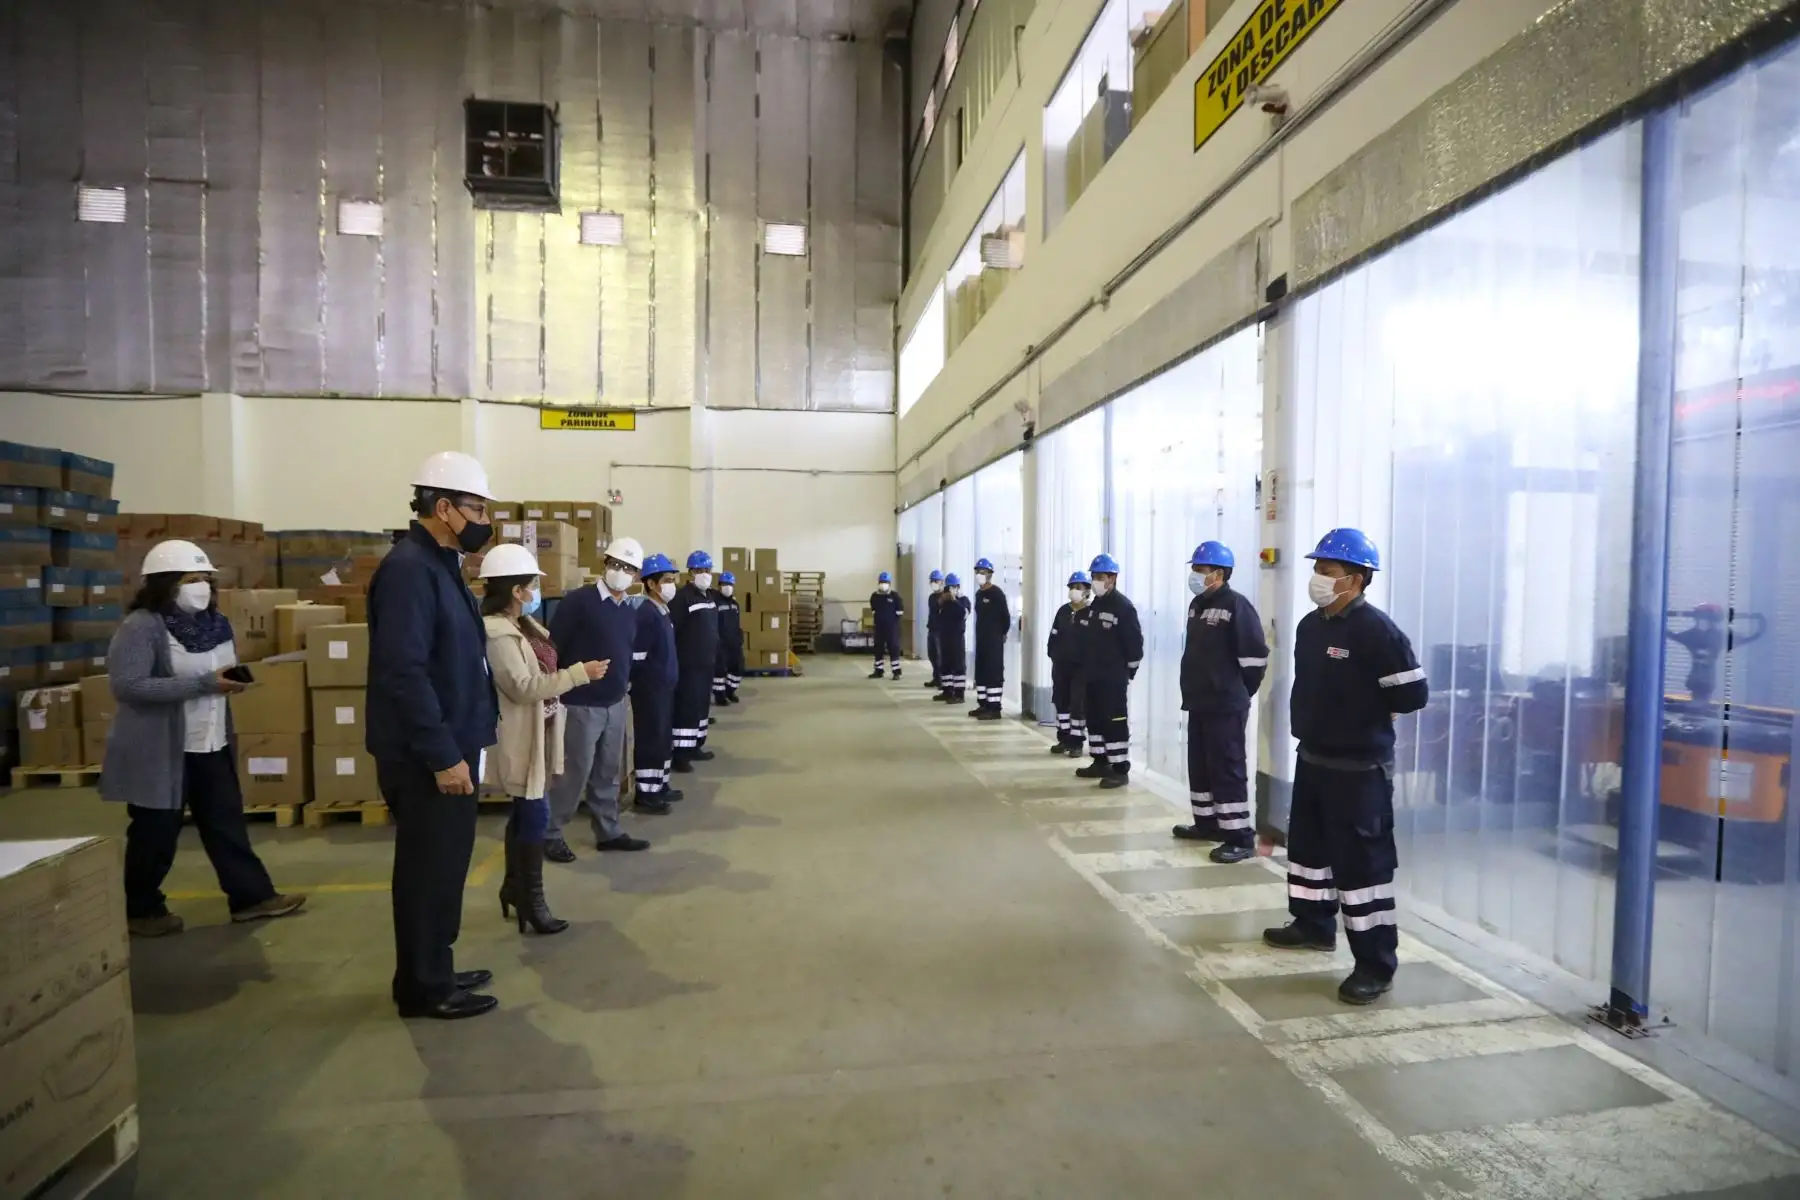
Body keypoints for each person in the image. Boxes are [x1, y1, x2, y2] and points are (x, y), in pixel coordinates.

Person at [101, 539, 307, 938]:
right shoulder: (142, 627)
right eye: (191, 579)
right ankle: (141, 909)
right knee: (155, 832)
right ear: (165, 583)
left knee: (226, 823)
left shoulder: (216, 624)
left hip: (211, 742)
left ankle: (251, 897)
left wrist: (230, 682)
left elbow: (218, 673)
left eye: (206, 579)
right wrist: (203, 684)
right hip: (163, 749)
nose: (202, 587)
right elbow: (128, 686)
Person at [1263, 529, 1429, 1006]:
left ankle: (1375, 965)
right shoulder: (1312, 627)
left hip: (1360, 771)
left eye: (1327, 571)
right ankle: (1313, 925)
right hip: (1314, 758)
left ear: (1354, 580)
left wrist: (1377, 709)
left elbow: (1412, 693)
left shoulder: (1377, 631)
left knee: (1362, 868)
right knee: (1310, 854)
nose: (1317, 577)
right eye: (1317, 568)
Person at [366, 451, 501, 1020]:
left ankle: (434, 968)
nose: (484, 520)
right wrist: (444, 755)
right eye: (476, 507)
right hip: (428, 754)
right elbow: (403, 671)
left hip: (453, 743)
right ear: (442, 507)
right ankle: (423, 987)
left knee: (447, 865)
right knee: (427, 870)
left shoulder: (442, 564)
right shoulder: (408, 570)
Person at [479, 543, 609, 934]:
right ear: (516, 591)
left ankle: (513, 888)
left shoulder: (525, 625)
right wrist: (577, 674)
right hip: (520, 735)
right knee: (534, 813)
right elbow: (522, 687)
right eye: (532, 584)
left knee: (526, 812)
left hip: (543, 727)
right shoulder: (498, 634)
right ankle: (531, 899)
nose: (536, 591)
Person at [545, 537, 649, 861]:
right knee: (574, 773)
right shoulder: (578, 602)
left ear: (636, 576)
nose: (621, 573)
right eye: (617, 565)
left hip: (615, 703)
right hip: (581, 704)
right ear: (605, 563)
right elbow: (553, 649)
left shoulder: (628, 610)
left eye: (629, 569)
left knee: (607, 771)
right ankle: (549, 833)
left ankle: (608, 830)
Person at [1174, 542, 1269, 863]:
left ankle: (1239, 836)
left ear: (1220, 573)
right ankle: (1208, 824)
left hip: (1226, 704)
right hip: (1199, 700)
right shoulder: (1196, 605)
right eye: (1195, 570)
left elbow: (1255, 659)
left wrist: (1238, 693)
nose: (1196, 575)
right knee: (1200, 766)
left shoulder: (1236, 605)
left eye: (1201, 570)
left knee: (1227, 768)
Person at [1073, 553, 1142, 789]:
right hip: (1092, 677)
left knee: (1114, 721)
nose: (1096, 581)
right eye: (1094, 577)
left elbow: (1134, 646)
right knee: (1095, 719)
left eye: (1100, 577)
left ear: (1113, 578)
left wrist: (1126, 673)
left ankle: (1120, 768)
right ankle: (1100, 761)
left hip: (1112, 678)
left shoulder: (1123, 607)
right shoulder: (1095, 606)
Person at [628, 554, 681, 811]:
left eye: (673, 579)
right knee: (651, 738)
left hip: (664, 687)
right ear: (651, 584)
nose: (672, 585)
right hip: (650, 690)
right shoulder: (646, 614)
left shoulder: (662, 612)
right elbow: (637, 658)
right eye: (667, 580)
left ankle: (661, 784)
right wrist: (646, 683)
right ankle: (647, 793)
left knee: (662, 737)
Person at [670, 551, 720, 770]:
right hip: (688, 665)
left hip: (706, 663)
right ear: (690, 572)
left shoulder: (708, 596)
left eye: (707, 570)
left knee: (701, 707)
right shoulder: (682, 598)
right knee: (687, 708)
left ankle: (696, 745)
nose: (704, 575)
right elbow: (674, 631)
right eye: (699, 571)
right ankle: (681, 754)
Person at [1046, 570, 1091, 756]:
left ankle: (1076, 742)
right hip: (1061, 665)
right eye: (1072, 587)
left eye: (1078, 587)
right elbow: (1054, 635)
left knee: (1077, 705)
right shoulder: (1063, 611)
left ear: (1087, 591)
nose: (1074, 591)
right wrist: (1053, 654)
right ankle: (1063, 738)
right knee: (1061, 702)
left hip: (1080, 668)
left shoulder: (1091, 613)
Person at [969, 557, 1010, 720]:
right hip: (981, 640)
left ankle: (994, 708)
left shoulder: (996, 593)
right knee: (981, 672)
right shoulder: (979, 594)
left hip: (994, 640)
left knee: (993, 672)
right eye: (978, 571)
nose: (980, 574)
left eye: (983, 572)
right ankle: (983, 704)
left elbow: (1005, 617)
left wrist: (1001, 634)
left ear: (990, 574)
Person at [934, 574, 970, 703]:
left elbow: (963, 614)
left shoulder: (963, 601)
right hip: (944, 637)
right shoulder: (943, 602)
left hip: (957, 638)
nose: (951, 590)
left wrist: (954, 600)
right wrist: (942, 601)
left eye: (954, 587)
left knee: (958, 665)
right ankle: (947, 691)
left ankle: (959, 694)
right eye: (949, 587)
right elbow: (936, 614)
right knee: (945, 665)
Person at [713, 571, 745, 706]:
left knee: (738, 668)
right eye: (725, 584)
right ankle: (720, 697)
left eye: (730, 584)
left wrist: (740, 636)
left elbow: (737, 622)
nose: (728, 587)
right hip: (720, 643)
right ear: (719, 585)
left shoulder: (735, 604)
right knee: (719, 672)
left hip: (734, 643)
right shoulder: (715, 603)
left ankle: (730, 691)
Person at [868, 571, 904, 680]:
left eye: (885, 582)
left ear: (889, 583)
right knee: (878, 648)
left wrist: (892, 622)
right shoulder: (875, 596)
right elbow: (873, 610)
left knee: (893, 648)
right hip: (879, 627)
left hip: (892, 628)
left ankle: (896, 672)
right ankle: (878, 670)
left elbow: (900, 612)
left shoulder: (895, 596)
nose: (883, 584)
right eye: (882, 582)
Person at [923, 570, 946, 688]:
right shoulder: (931, 597)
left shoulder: (945, 597)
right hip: (931, 629)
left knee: (939, 655)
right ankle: (936, 677)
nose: (934, 583)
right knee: (931, 654)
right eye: (932, 581)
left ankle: (942, 679)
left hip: (941, 631)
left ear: (942, 582)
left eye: (936, 581)